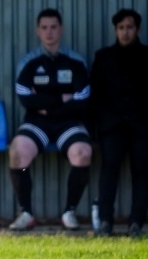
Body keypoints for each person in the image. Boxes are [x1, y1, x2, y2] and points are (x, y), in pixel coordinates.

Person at [8, 8, 93, 231]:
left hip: (69, 123)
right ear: (38, 31)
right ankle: (26, 212)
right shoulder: (29, 62)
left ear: (61, 29)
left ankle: (69, 211)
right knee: (18, 152)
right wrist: (63, 99)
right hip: (37, 123)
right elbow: (25, 97)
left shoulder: (75, 61)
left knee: (83, 152)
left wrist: (45, 101)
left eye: (53, 27)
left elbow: (83, 97)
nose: (49, 32)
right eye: (44, 28)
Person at [90, 8, 148, 237]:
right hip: (112, 126)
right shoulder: (103, 57)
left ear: (138, 29)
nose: (125, 32)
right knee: (109, 171)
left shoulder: (146, 57)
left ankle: (136, 223)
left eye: (130, 27)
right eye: (121, 28)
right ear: (116, 30)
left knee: (142, 173)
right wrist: (99, 125)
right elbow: (95, 96)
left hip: (142, 126)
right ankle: (106, 222)